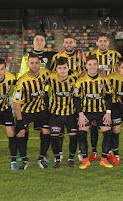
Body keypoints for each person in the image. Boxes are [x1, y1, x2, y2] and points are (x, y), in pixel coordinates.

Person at [16, 31, 56, 163]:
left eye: (42, 40)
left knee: (44, 127)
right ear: (33, 42)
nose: (39, 42)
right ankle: (23, 153)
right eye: (37, 40)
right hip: (28, 95)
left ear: (45, 43)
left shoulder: (51, 55)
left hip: (43, 95)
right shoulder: (26, 57)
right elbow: (21, 74)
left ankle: (43, 154)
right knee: (24, 127)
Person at [84, 32, 121, 162]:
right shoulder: (90, 56)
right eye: (100, 41)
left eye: (105, 41)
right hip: (95, 98)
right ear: (97, 42)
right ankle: (94, 151)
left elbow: (121, 68)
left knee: (109, 125)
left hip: (111, 96)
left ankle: (109, 151)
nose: (103, 43)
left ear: (108, 42)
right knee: (94, 123)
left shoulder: (116, 55)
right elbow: (85, 71)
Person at [12, 53, 51, 169]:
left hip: (41, 110)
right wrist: (19, 120)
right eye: (32, 63)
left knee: (46, 131)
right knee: (20, 132)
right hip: (26, 111)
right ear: (28, 64)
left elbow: (57, 76)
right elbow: (16, 102)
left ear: (40, 64)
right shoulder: (21, 81)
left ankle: (41, 158)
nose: (34, 65)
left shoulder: (45, 73)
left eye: (36, 63)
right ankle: (24, 159)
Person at [50, 33, 85, 161]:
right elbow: (52, 73)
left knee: (79, 128)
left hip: (76, 95)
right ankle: (58, 154)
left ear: (74, 43)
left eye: (71, 42)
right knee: (59, 131)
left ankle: (81, 151)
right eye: (66, 42)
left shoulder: (80, 55)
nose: (69, 44)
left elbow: (83, 71)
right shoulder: (57, 57)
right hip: (59, 100)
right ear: (63, 44)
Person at [74, 55, 113, 169]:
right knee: (82, 134)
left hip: (101, 111)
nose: (92, 67)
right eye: (90, 64)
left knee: (108, 133)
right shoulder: (80, 81)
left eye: (94, 64)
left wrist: (108, 112)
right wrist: (80, 114)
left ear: (98, 66)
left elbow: (109, 96)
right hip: (86, 112)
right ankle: (85, 160)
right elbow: (76, 98)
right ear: (86, 66)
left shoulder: (104, 79)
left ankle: (104, 159)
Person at [47, 57, 80, 168]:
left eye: (64, 68)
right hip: (55, 114)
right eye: (60, 68)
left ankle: (71, 159)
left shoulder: (74, 77)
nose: (62, 70)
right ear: (56, 68)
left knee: (73, 137)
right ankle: (57, 159)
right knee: (54, 137)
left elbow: (82, 74)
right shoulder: (51, 78)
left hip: (71, 113)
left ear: (68, 68)